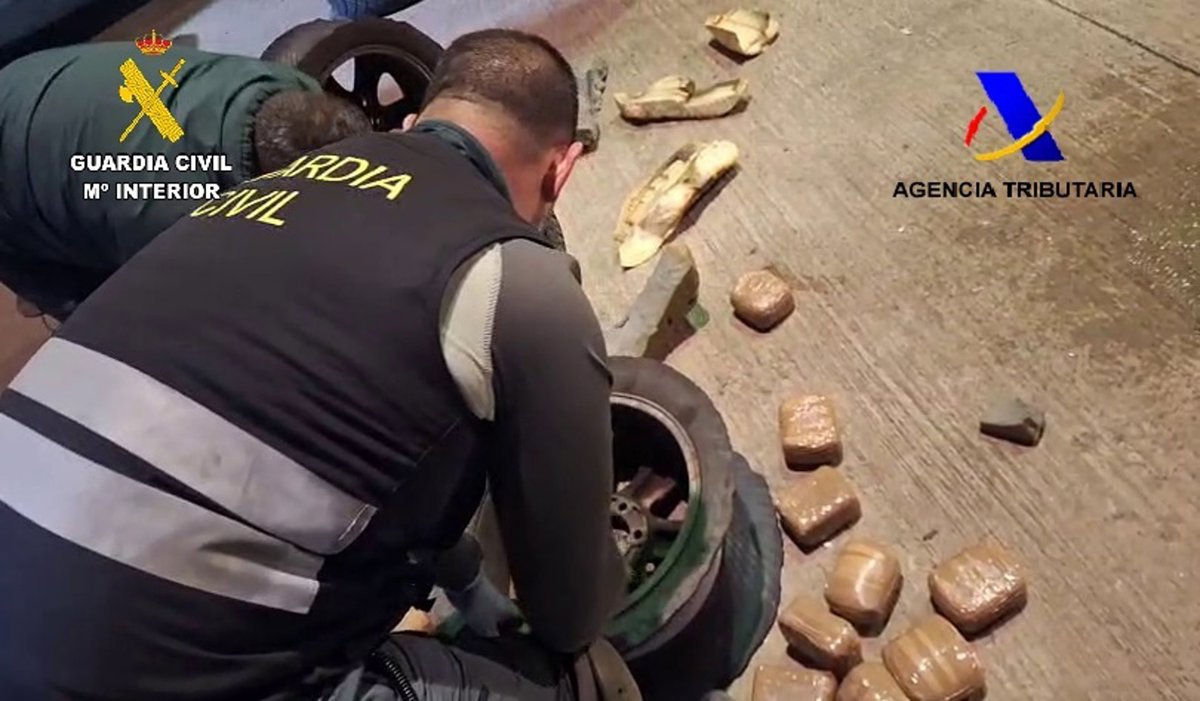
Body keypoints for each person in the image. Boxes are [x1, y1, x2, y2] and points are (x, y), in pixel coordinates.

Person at [0, 27, 626, 701]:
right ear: (562, 170)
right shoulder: (514, 278)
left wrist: (465, 575)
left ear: (412, 123)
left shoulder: (239, 195)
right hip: (143, 672)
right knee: (587, 680)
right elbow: (570, 614)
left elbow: (317, 417)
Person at [0, 41, 372, 320]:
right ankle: (40, 287)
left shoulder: (289, 86)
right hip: (16, 157)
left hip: (42, 79)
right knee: (97, 311)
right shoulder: (171, 218)